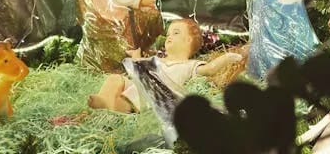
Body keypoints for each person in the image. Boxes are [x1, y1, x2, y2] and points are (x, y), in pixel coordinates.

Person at [87, 19, 242, 113]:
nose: (169, 37)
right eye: (168, 34)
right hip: (139, 87)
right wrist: (136, 57)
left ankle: (110, 106)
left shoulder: (189, 65)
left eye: (175, 33)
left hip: (153, 96)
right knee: (115, 79)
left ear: (188, 40)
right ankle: (104, 101)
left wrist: (227, 57)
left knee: (126, 100)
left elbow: (210, 69)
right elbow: (140, 69)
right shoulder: (157, 61)